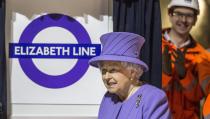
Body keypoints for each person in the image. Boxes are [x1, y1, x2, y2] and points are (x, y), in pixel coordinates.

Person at [89, 32, 171, 119]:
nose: (106, 77)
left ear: (132, 72)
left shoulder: (153, 98)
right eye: (104, 71)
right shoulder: (108, 98)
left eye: (113, 70)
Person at [162, 0, 210, 118]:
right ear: (170, 14)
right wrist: (165, 74)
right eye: (178, 14)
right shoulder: (153, 45)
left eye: (189, 15)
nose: (183, 20)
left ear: (195, 19)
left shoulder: (202, 56)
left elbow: (201, 96)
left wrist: (184, 76)